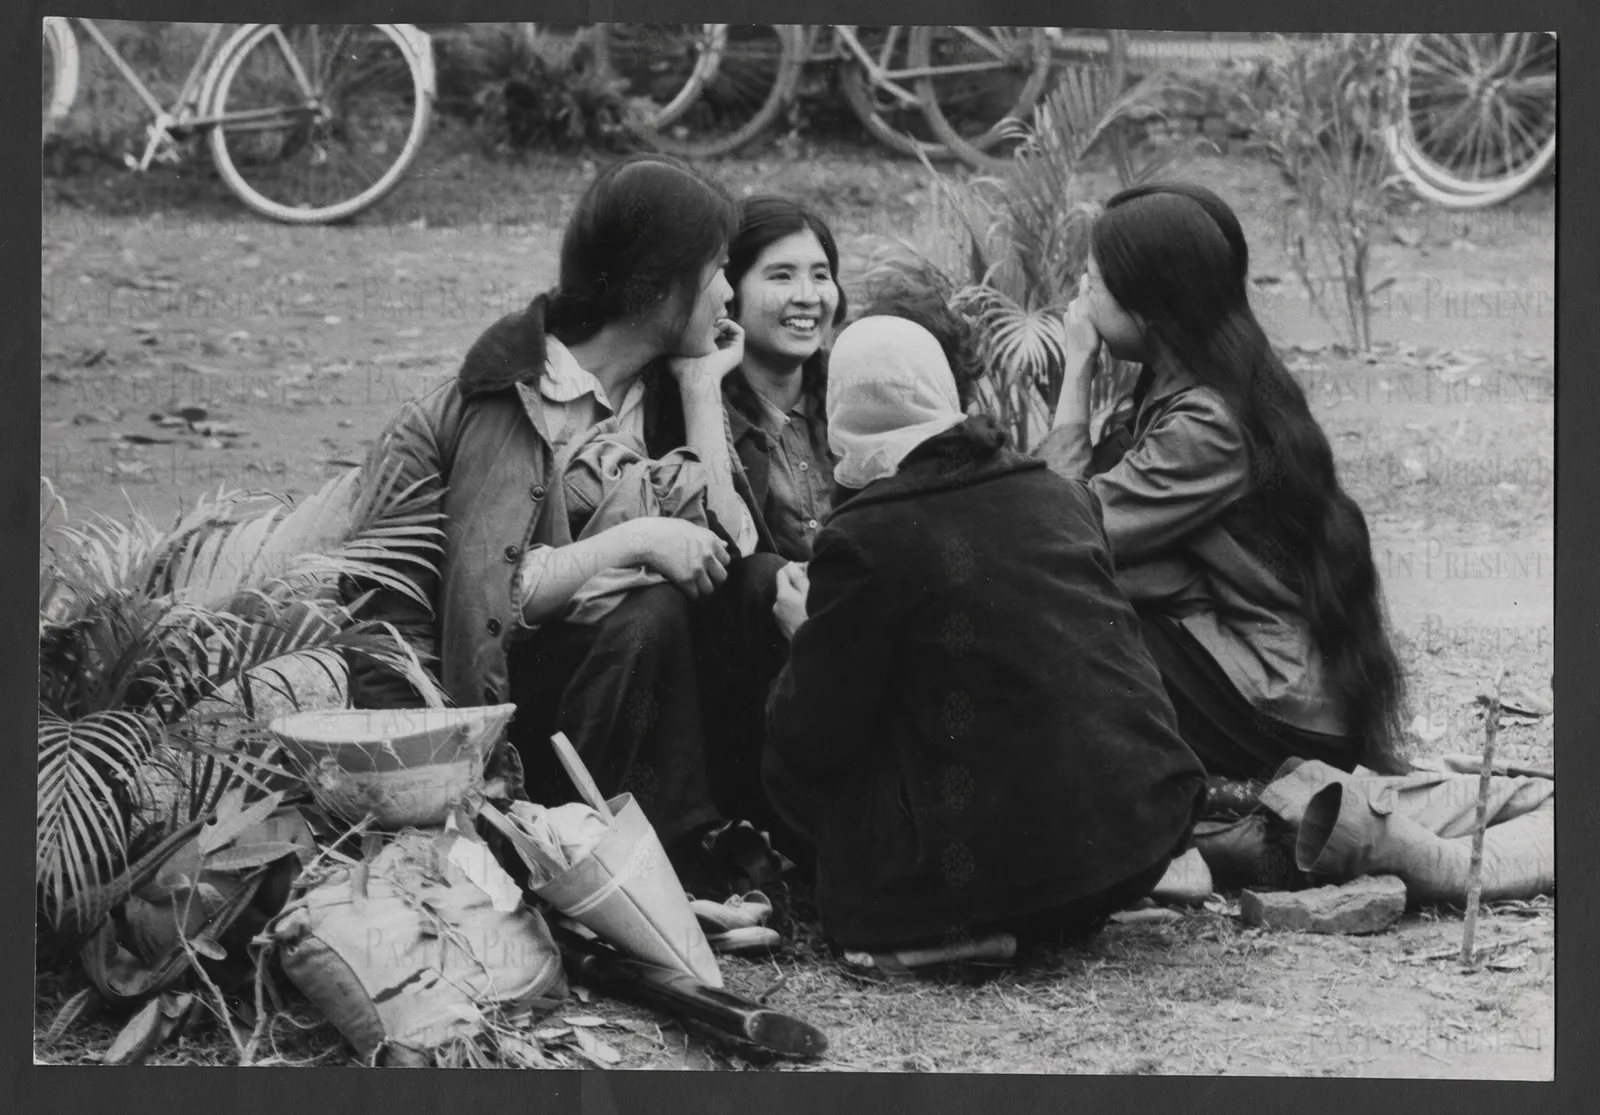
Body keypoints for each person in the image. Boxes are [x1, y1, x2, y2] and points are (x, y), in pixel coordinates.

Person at [346, 154, 782, 889]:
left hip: (638, 707)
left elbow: (732, 552)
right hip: (505, 721)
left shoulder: (669, 385)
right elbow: (486, 609)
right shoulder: (501, 404)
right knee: (650, 605)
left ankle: (724, 834)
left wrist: (704, 388)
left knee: (757, 585)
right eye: (714, 269)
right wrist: (637, 539)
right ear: (656, 286)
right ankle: (644, 864)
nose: (729, 291)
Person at [761, 315, 1208, 952]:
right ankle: (1070, 900)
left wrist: (803, 634)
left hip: (1016, 875)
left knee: (795, 755)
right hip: (1146, 836)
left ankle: (956, 928)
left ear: (843, 409)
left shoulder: (866, 535)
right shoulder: (1060, 493)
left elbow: (813, 739)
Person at [1039, 182, 1409, 787]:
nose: (1078, 303)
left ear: (1149, 307)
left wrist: (1076, 372)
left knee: (1064, 618)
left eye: (1091, 283)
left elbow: (1055, 530)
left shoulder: (1206, 424)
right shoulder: (1198, 383)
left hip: (1278, 704)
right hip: (1257, 674)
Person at [721, 196, 847, 563]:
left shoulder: (856, 397)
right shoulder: (700, 411)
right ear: (728, 291)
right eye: (781, 275)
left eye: (821, 276)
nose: (808, 296)